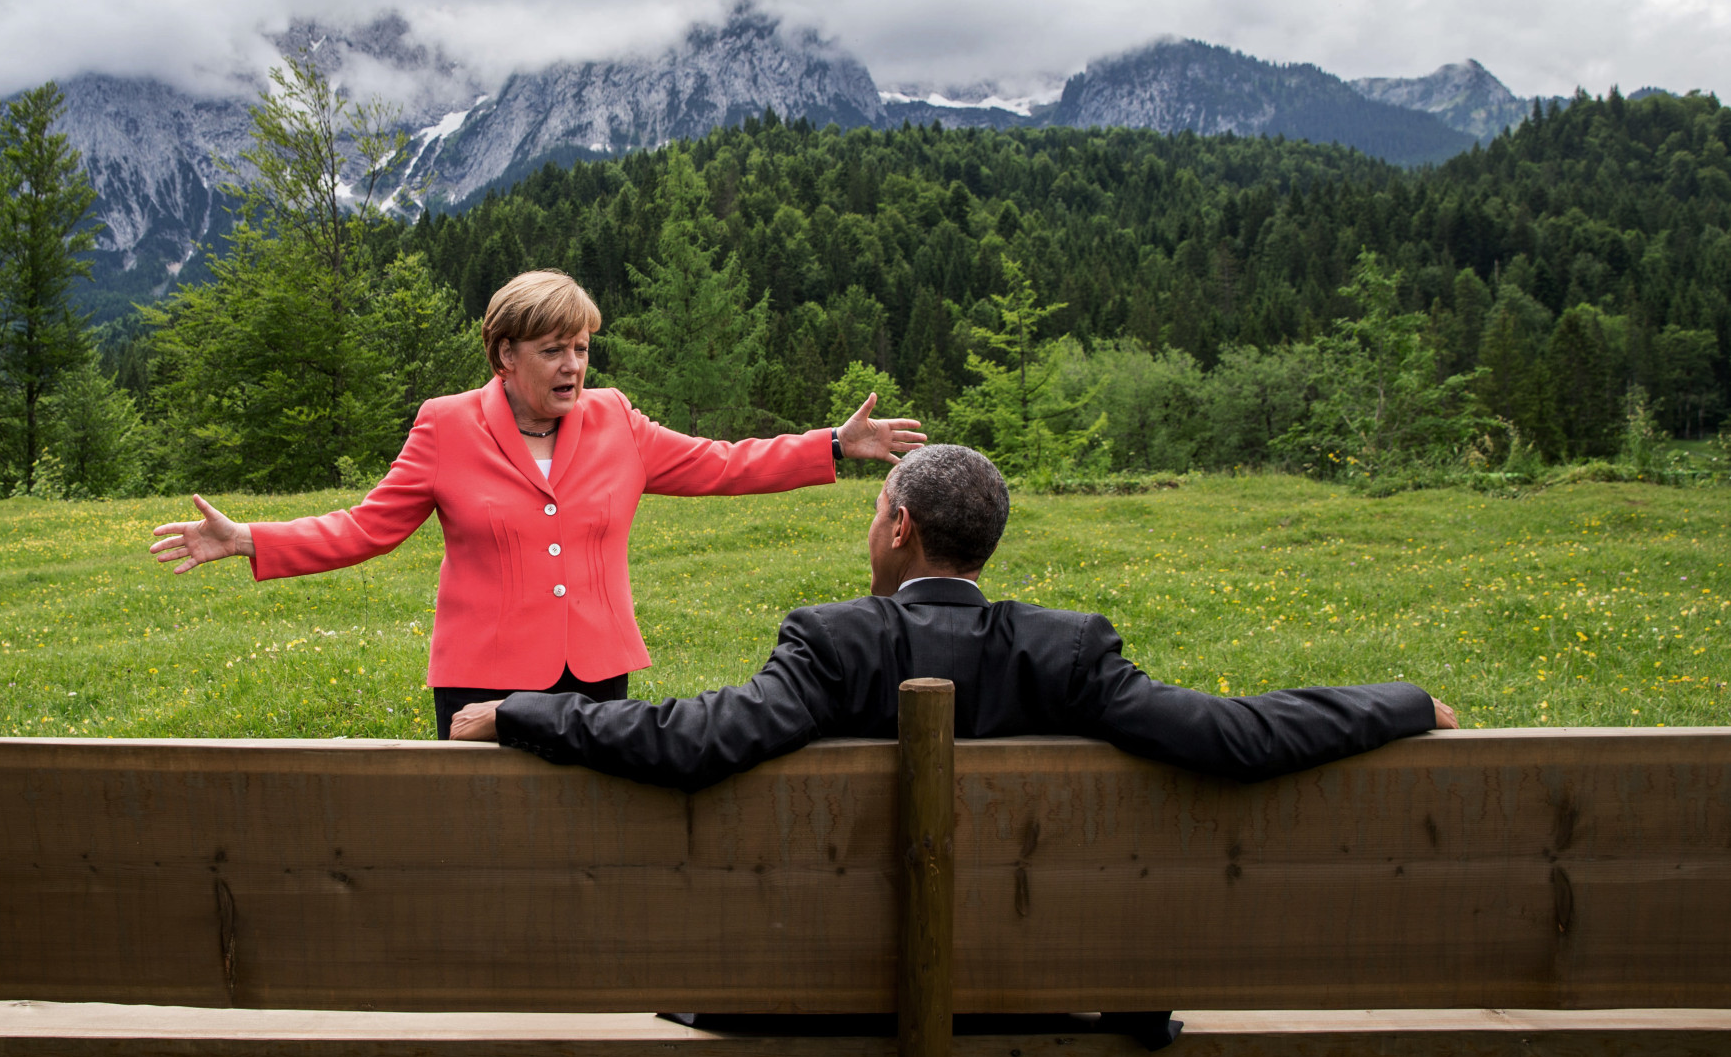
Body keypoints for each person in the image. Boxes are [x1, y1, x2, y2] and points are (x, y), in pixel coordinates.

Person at [147, 269, 926, 740]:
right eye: (554, 349)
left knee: (589, 836)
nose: (573, 366)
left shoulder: (616, 418)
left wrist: (830, 445)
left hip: (595, 672)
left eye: (582, 348)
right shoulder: (445, 426)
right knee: (485, 844)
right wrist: (251, 538)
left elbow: (719, 464)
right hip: (482, 676)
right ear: (505, 354)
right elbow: (366, 527)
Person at [449, 443, 1457, 787]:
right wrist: (1402, 702)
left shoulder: (831, 644)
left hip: (825, 995)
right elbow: (1236, 735)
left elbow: (693, 741)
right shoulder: (1068, 652)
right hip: (1036, 987)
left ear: (895, 527)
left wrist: (526, 711)